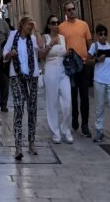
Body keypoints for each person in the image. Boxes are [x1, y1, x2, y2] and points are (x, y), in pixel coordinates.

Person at [3, 14, 42, 160]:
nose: (30, 27)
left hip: (32, 77)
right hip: (17, 77)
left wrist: (37, 30)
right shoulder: (13, 36)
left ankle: (31, 143)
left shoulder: (33, 39)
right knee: (19, 107)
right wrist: (10, 54)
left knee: (32, 109)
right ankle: (18, 146)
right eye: (29, 25)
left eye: (32, 25)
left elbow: (42, 46)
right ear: (22, 25)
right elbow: (4, 54)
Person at [58, 1, 92, 136]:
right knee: (72, 94)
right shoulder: (61, 27)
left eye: (73, 9)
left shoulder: (83, 25)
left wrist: (89, 58)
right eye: (69, 10)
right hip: (70, 67)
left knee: (84, 95)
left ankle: (85, 124)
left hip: (83, 65)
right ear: (65, 12)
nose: (72, 11)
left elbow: (89, 43)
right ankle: (74, 117)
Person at [43, 15, 73, 144]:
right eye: (53, 23)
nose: (56, 25)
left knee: (68, 100)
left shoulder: (62, 38)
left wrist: (68, 53)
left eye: (57, 22)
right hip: (50, 69)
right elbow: (41, 55)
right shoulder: (46, 37)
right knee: (52, 101)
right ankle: (55, 132)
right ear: (49, 25)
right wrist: (50, 45)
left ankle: (66, 129)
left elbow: (64, 52)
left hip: (62, 70)